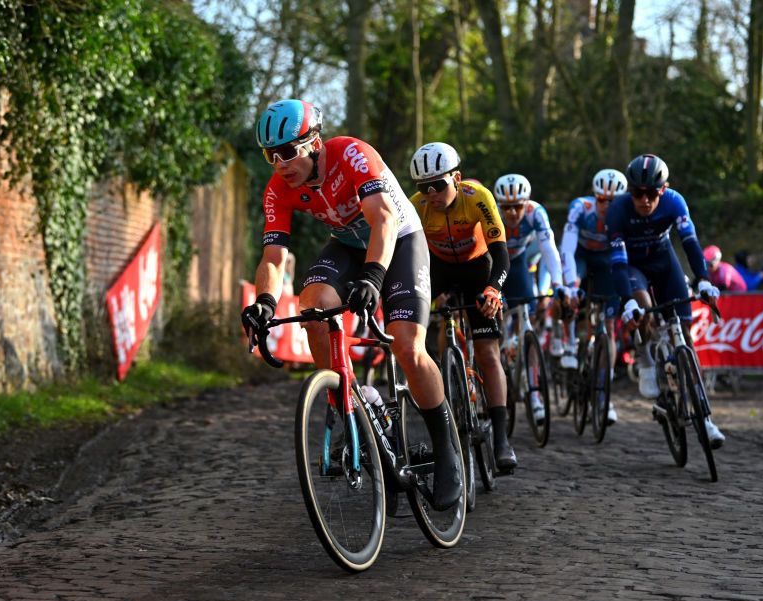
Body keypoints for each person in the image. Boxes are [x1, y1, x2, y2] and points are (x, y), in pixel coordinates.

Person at [240, 99, 462, 510]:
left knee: (408, 348)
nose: (280, 163)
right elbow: (273, 256)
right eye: (271, 156)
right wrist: (265, 303)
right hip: (347, 245)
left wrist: (373, 278)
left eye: (288, 152)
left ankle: (446, 450)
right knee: (313, 307)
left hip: (399, 239)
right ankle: (357, 404)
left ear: (314, 143)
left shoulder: (352, 154)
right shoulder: (278, 188)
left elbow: (383, 220)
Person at [409, 142, 518, 472]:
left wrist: (494, 288)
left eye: (438, 185)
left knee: (487, 353)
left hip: (477, 269)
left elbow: (500, 252)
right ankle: (447, 379)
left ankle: (501, 438)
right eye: (423, 188)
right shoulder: (416, 206)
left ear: (456, 178)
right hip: (439, 269)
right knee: (425, 323)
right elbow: (409, 254)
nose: (432, 194)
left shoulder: (477, 197)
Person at [608, 153, 725, 447]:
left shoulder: (674, 201)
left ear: (664, 188)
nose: (644, 200)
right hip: (632, 267)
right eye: (638, 193)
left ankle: (705, 419)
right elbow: (618, 264)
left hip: (663, 261)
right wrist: (627, 302)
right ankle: (646, 359)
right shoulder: (618, 210)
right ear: (629, 191)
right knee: (643, 305)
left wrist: (704, 280)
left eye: (651, 193)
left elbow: (690, 243)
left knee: (684, 336)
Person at [493, 173, 565, 423]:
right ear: (499, 206)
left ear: (527, 203)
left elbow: (549, 250)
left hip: (519, 262)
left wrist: (557, 285)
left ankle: (534, 393)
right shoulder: (491, 211)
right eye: (507, 207)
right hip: (492, 263)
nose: (512, 213)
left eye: (518, 206)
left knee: (528, 323)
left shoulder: (536, 213)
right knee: (494, 321)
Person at [558, 168, 628, 425]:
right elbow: (567, 245)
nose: (606, 206)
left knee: (608, 326)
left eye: (613, 201)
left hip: (607, 260)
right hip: (581, 256)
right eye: (602, 200)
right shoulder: (581, 208)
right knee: (571, 293)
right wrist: (571, 283)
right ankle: (569, 340)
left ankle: (604, 393)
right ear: (594, 197)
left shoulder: (627, 212)